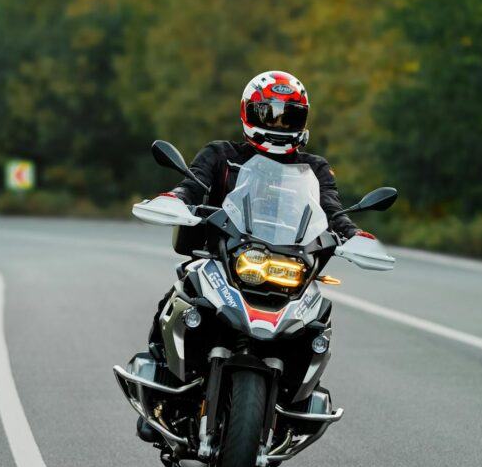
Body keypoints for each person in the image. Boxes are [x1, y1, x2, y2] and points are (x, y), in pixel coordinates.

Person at [144, 69, 360, 366]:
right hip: (223, 259)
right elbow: (193, 186)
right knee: (183, 292)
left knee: (316, 322)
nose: (279, 123)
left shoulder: (315, 168)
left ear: (303, 121)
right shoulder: (220, 154)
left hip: (288, 264)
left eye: (289, 117)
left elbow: (332, 209)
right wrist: (177, 198)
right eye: (268, 114)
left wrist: (353, 234)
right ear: (249, 112)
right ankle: (160, 369)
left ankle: (298, 395)